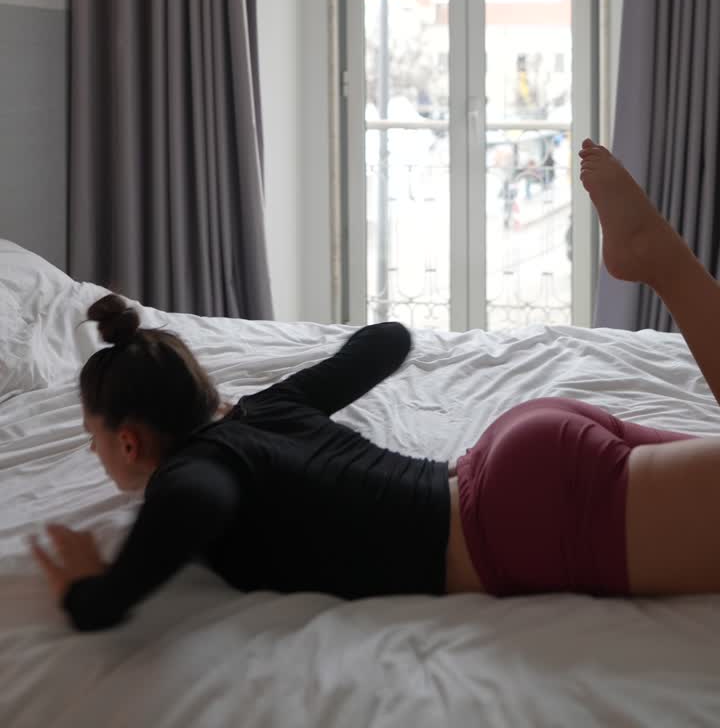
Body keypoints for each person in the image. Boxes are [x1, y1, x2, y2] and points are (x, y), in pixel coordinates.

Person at [32, 139, 720, 629]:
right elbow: (387, 341)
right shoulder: (267, 412)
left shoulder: (200, 469)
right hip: (513, 464)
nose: (96, 456)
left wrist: (96, 592)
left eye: (93, 442)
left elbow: (196, 503)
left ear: (128, 441)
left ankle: (662, 262)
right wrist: (267, 402)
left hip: (516, 521)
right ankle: (659, 260)